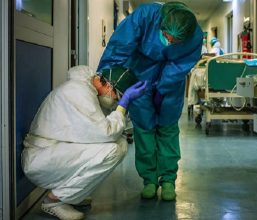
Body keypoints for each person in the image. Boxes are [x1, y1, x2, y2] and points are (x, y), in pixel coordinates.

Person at [97, 2, 203, 201]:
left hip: (171, 81)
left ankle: (169, 179)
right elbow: (120, 46)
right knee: (144, 127)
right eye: (167, 36)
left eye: (176, 40)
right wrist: (107, 77)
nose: (170, 42)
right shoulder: (146, 15)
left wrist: (163, 88)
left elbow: (180, 65)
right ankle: (149, 180)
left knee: (168, 126)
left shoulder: (195, 35)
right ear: (161, 24)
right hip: (139, 73)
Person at [22, 65, 147, 220]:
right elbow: (106, 133)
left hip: (52, 151)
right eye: (117, 97)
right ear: (108, 85)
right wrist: (123, 106)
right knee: (113, 150)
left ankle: (68, 195)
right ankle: (54, 200)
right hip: (39, 158)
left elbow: (109, 129)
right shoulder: (79, 93)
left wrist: (123, 106)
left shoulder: (87, 90)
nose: (115, 101)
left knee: (119, 144)